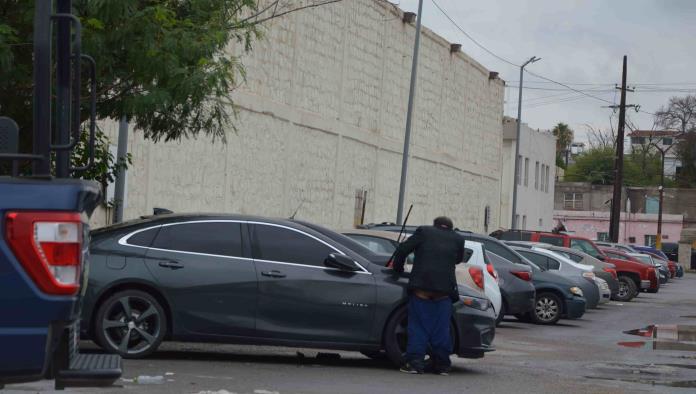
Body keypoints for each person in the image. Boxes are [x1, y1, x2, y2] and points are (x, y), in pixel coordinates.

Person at [392, 216, 464, 375]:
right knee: (441, 330)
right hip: (444, 293)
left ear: (435, 225)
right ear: (450, 227)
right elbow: (458, 259)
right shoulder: (458, 238)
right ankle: (442, 366)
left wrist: (397, 269)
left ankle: (414, 364)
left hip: (422, 290)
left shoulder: (424, 231)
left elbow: (403, 249)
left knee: (418, 328)